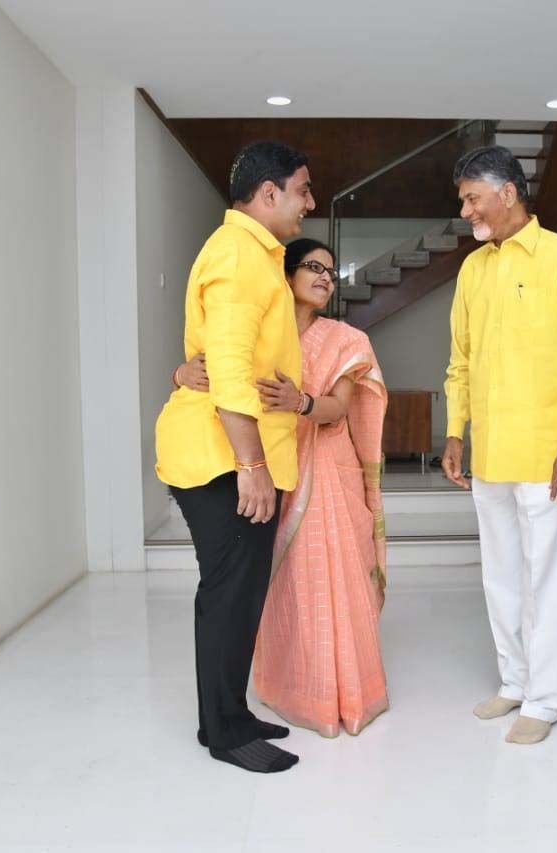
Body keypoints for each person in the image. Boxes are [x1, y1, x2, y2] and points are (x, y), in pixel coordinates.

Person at [175, 238, 389, 738]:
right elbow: (214, 375)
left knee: (332, 573)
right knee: (283, 585)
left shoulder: (345, 339)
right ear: (287, 275)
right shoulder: (260, 333)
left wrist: (302, 403)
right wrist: (180, 371)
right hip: (267, 468)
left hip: (328, 470)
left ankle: (345, 693)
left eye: (331, 273)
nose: (324, 278)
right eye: (313, 267)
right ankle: (291, 688)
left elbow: (340, 409)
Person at [441, 145, 557, 745]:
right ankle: (514, 682)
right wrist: (455, 430)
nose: (465, 210)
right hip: (490, 451)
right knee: (501, 576)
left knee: (550, 578)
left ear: (507, 192)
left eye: (471, 197)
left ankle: (545, 699)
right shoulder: (472, 269)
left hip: (550, 454)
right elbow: (460, 362)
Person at [154, 141, 315, 774]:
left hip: (238, 453)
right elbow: (225, 368)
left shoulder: (254, 255)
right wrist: (251, 467)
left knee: (243, 592)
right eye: (301, 189)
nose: (308, 202)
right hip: (224, 460)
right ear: (268, 193)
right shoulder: (240, 256)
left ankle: (230, 713)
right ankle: (222, 732)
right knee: (228, 593)